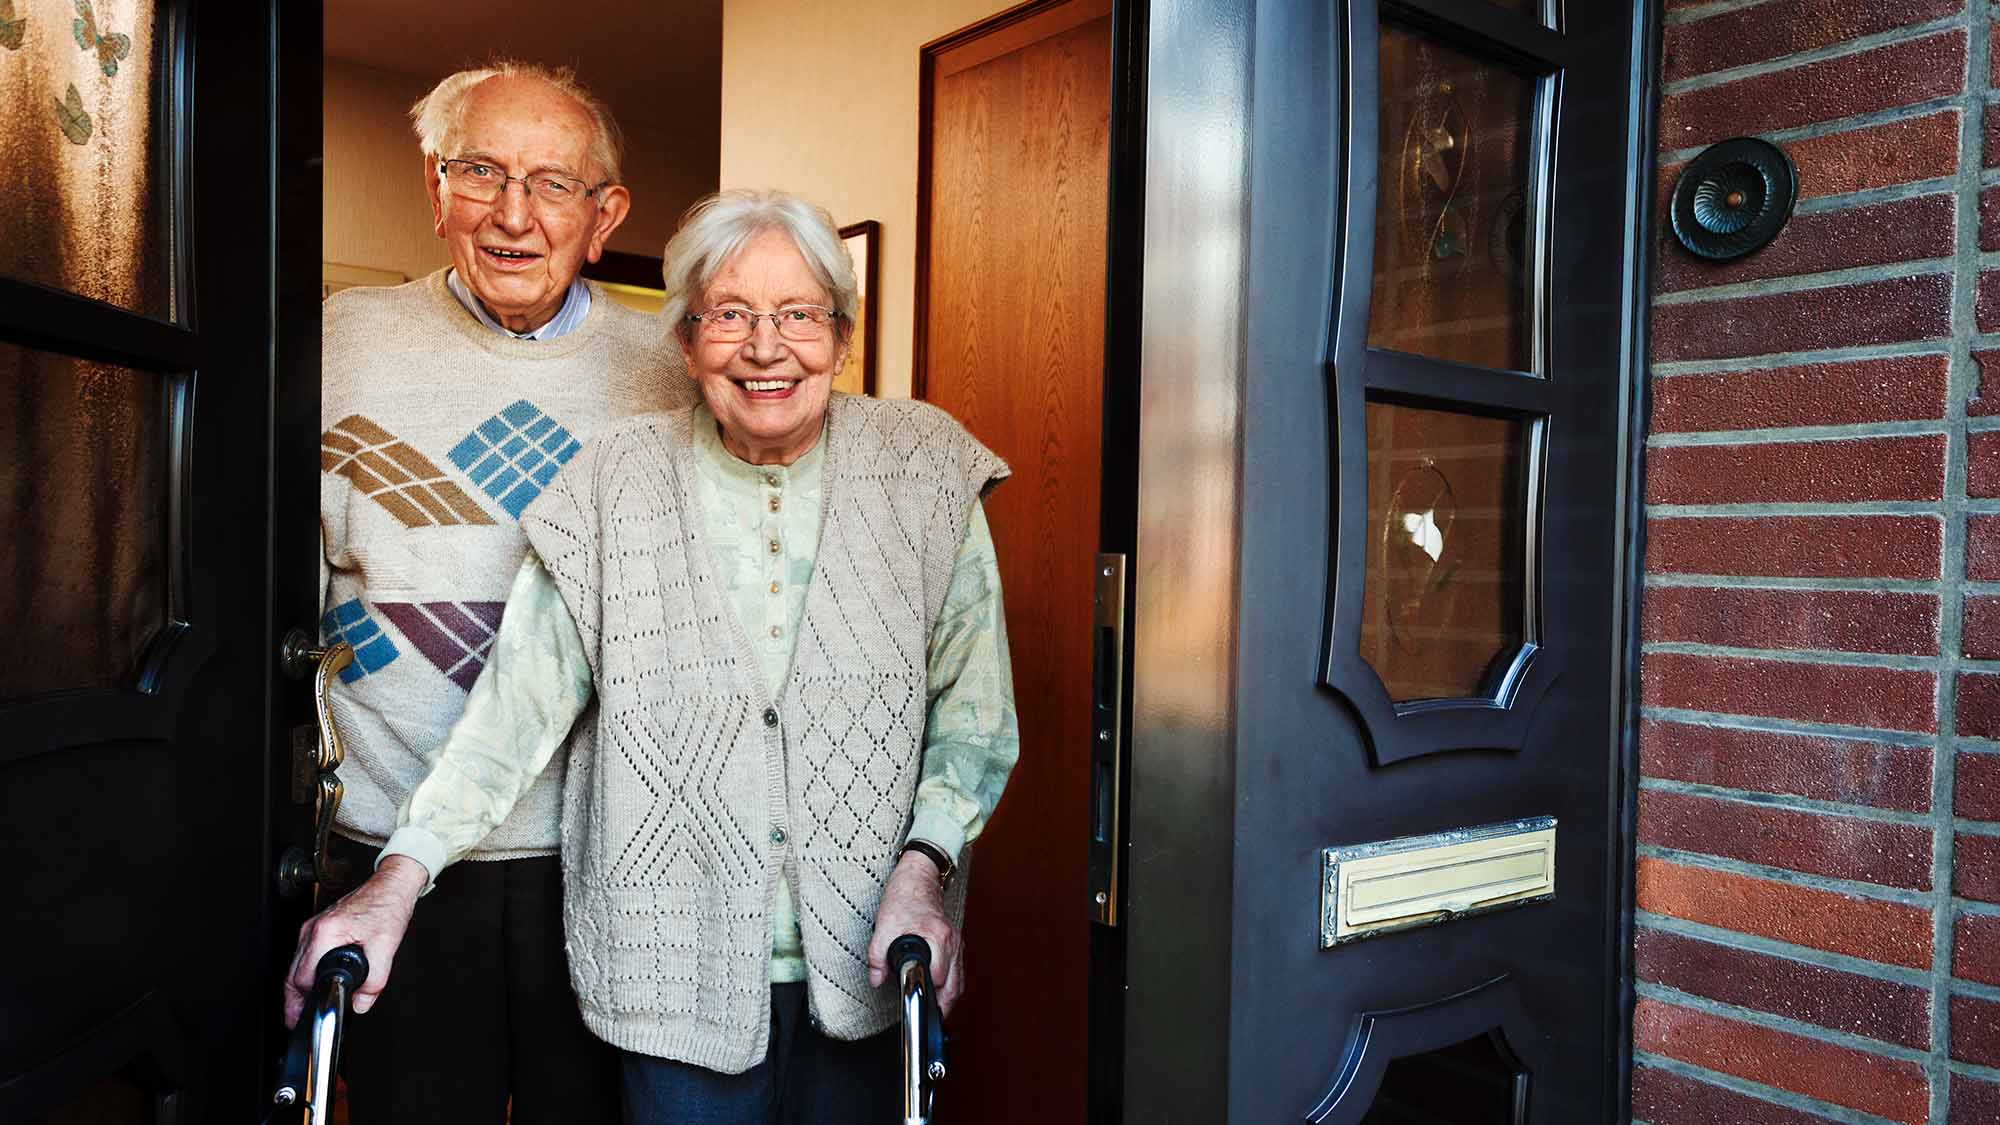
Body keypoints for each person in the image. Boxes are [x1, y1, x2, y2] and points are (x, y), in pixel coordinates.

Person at [291, 188, 1020, 1124]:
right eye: (730, 316)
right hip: (673, 973)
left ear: (841, 338)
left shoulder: (925, 470)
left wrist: (926, 866)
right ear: (684, 344)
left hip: (875, 959)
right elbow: (515, 712)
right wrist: (396, 879)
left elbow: (975, 716)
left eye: (799, 314)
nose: (766, 346)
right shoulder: (613, 482)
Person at [296, 60, 693, 1123]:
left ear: (603, 215)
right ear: (435, 190)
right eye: (480, 171)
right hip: (391, 850)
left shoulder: (673, 369)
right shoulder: (331, 345)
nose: (513, 213)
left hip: (607, 853)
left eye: (553, 183)